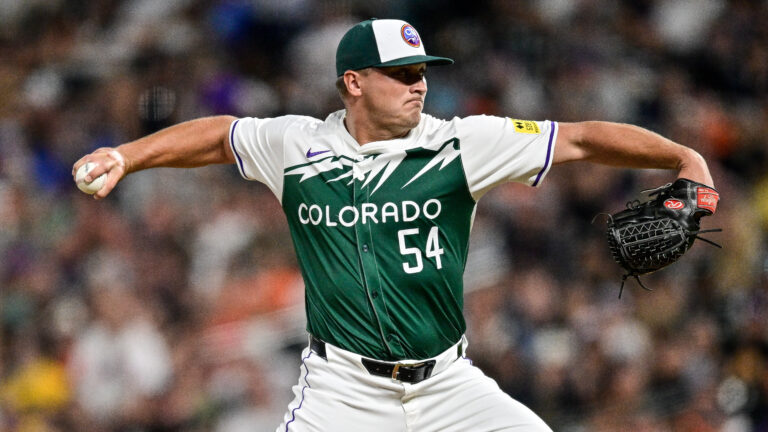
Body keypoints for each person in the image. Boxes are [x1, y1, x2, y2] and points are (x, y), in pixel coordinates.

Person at [73, 18, 716, 432]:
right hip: (341, 390)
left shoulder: (463, 143)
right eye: (402, 74)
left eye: (423, 73)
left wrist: (683, 158)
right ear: (353, 82)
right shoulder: (297, 146)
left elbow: (577, 139)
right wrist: (127, 156)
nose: (419, 85)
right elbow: (218, 136)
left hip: (449, 384)